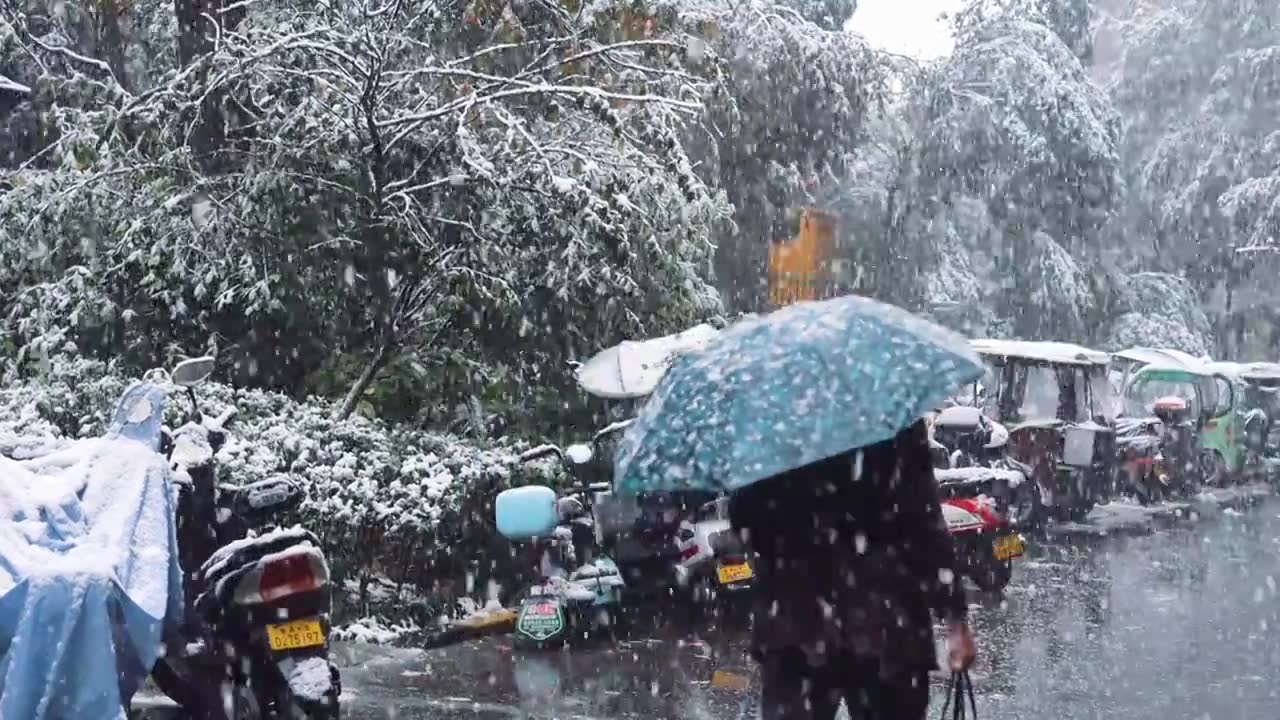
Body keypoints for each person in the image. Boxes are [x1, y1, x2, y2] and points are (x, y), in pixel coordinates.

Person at [728, 419, 976, 720]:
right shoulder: (890, 408)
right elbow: (923, 521)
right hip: (887, 622)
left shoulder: (772, 417)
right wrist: (954, 617)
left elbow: (745, 523)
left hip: (797, 619)